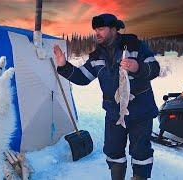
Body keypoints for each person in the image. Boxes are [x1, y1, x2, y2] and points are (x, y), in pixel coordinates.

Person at [53, 14, 160, 180]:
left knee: (141, 151)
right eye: (95, 29)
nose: (97, 33)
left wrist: (138, 66)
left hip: (141, 111)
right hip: (113, 112)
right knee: (113, 150)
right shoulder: (97, 56)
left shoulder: (135, 46)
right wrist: (64, 66)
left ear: (113, 28)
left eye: (101, 29)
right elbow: (82, 77)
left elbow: (155, 68)